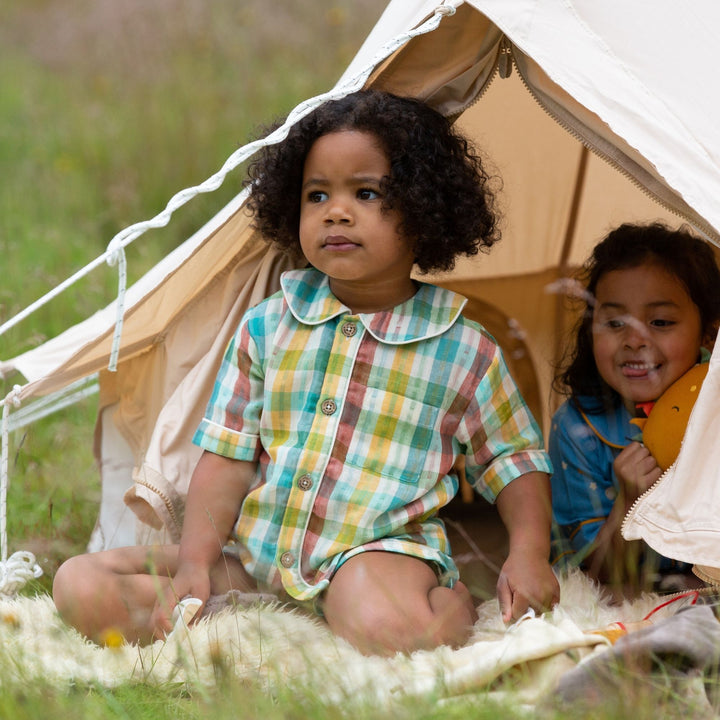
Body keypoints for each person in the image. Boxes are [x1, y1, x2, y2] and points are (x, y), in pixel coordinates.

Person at [53, 90, 559, 655]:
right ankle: (256, 623)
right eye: (317, 195)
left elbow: (514, 460)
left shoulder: (465, 347)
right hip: (255, 556)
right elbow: (226, 455)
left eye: (366, 193)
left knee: (389, 629)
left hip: (372, 557)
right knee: (79, 584)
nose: (335, 211)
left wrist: (528, 553)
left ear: (424, 207)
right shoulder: (269, 325)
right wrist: (196, 562)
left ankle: (446, 606)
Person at [549, 222, 720, 591]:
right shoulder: (577, 429)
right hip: (623, 600)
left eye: (660, 321)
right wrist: (628, 503)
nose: (634, 340)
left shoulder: (715, 407)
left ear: (708, 332)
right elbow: (592, 578)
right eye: (614, 322)